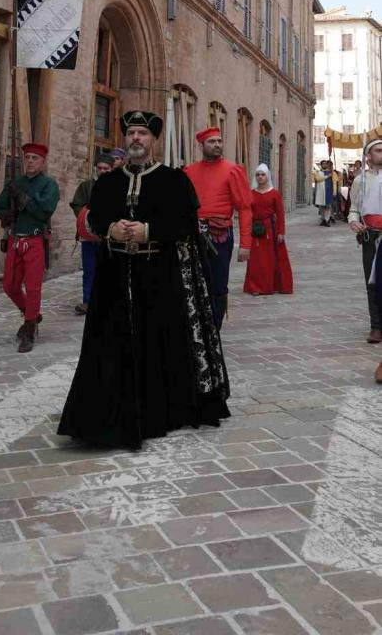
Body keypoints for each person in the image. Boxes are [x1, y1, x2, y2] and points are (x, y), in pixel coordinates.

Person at [57, 110, 230, 450]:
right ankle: (106, 413)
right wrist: (111, 228)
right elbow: (94, 222)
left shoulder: (173, 180)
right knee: (111, 342)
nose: (136, 138)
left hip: (159, 276)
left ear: (154, 141)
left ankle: (159, 410)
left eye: (143, 134)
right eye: (132, 132)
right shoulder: (107, 183)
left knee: (159, 340)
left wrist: (149, 229)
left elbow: (185, 226)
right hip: (114, 278)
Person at [0, 142, 60, 352]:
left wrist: (24, 200)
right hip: (15, 240)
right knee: (10, 286)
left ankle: (29, 329)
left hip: (35, 241)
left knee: (33, 288)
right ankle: (31, 314)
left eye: (35, 158)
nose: (30, 161)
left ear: (43, 162)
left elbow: (44, 211)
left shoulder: (49, 185)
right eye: (28, 158)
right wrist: (8, 214)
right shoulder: (16, 182)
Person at [184, 127, 252, 328]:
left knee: (218, 284)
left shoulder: (232, 170)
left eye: (219, 141)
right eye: (212, 142)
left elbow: (245, 208)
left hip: (220, 236)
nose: (217, 145)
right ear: (201, 145)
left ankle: (214, 328)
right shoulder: (189, 171)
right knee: (194, 282)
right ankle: (197, 326)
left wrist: (245, 244)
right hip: (193, 235)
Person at [348, 138, 382, 353]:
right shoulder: (360, 181)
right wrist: (354, 221)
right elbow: (354, 208)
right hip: (371, 236)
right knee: (372, 281)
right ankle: (376, 327)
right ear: (368, 156)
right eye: (379, 150)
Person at [70, 154, 114, 315]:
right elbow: (77, 205)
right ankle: (88, 301)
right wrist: (87, 217)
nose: (102, 171)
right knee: (89, 269)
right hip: (89, 237)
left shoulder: (119, 187)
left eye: (106, 169)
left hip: (110, 238)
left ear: (111, 169)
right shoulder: (86, 186)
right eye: (100, 168)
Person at [243, 165, 293, 296]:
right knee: (256, 259)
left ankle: (271, 285)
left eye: (262, 174)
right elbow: (247, 213)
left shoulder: (274, 193)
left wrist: (281, 232)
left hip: (271, 230)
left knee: (270, 259)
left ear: (267, 176)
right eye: (258, 174)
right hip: (256, 229)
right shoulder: (251, 193)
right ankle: (256, 286)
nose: (260, 177)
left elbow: (280, 214)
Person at [313, 159, 340, 226]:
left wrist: (335, 191)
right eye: (323, 164)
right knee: (321, 206)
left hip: (329, 191)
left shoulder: (332, 173)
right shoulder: (317, 172)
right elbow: (318, 179)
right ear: (321, 165)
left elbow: (335, 182)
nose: (324, 165)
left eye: (326, 164)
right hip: (320, 192)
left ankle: (327, 220)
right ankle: (323, 219)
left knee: (328, 206)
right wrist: (327, 176)